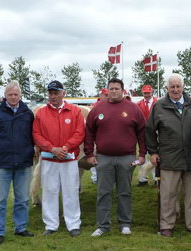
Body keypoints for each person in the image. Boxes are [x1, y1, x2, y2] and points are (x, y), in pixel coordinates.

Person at [85, 78, 146, 237]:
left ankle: (125, 223)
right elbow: (89, 132)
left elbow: (142, 133)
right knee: (103, 192)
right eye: (111, 88)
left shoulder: (133, 109)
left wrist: (142, 155)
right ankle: (103, 225)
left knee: (124, 192)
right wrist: (90, 154)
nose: (113, 91)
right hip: (104, 158)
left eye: (116, 88)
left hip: (126, 158)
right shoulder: (97, 109)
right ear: (107, 90)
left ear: (122, 90)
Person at [146, 73, 191, 237]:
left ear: (183, 87)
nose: (176, 90)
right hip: (169, 158)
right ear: (167, 88)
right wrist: (153, 151)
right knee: (168, 194)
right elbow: (149, 130)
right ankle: (166, 225)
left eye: (178, 86)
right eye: (172, 87)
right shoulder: (159, 106)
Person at [0, 81, 35, 244]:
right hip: (2, 163)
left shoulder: (27, 113)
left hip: (23, 162)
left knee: (23, 199)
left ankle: (21, 227)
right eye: (10, 94)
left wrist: (28, 153)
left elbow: (33, 136)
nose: (13, 97)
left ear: (20, 95)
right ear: (5, 96)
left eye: (16, 94)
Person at [32, 80, 85, 237]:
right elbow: (36, 134)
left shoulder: (74, 111)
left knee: (71, 190)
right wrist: (51, 148)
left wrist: (66, 147)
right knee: (49, 190)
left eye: (56, 93)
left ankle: (73, 224)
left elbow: (79, 133)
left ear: (63, 93)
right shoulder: (41, 113)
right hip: (49, 159)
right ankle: (51, 224)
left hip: (68, 159)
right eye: (50, 93)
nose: (53, 96)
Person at [136, 84, 157, 186]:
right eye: (145, 93)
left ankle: (156, 177)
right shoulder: (138, 104)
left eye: (148, 93)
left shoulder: (158, 102)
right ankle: (142, 178)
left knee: (154, 154)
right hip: (143, 133)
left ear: (152, 92)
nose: (147, 95)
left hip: (156, 133)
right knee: (142, 154)